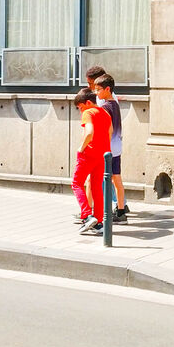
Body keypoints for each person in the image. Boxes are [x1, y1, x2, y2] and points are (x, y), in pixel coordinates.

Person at [73, 88, 112, 236]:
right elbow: (110, 133)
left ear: (88, 103)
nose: (80, 111)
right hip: (103, 155)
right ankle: (99, 222)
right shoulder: (105, 113)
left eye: (81, 107)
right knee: (97, 188)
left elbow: (89, 132)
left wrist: (81, 148)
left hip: (88, 153)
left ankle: (87, 215)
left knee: (76, 183)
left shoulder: (88, 113)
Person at [95, 74, 128, 223]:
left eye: (98, 89)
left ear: (107, 89)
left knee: (102, 180)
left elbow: (106, 130)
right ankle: (121, 211)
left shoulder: (105, 107)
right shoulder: (115, 103)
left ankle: (102, 212)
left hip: (107, 150)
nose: (96, 93)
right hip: (117, 148)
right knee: (117, 179)